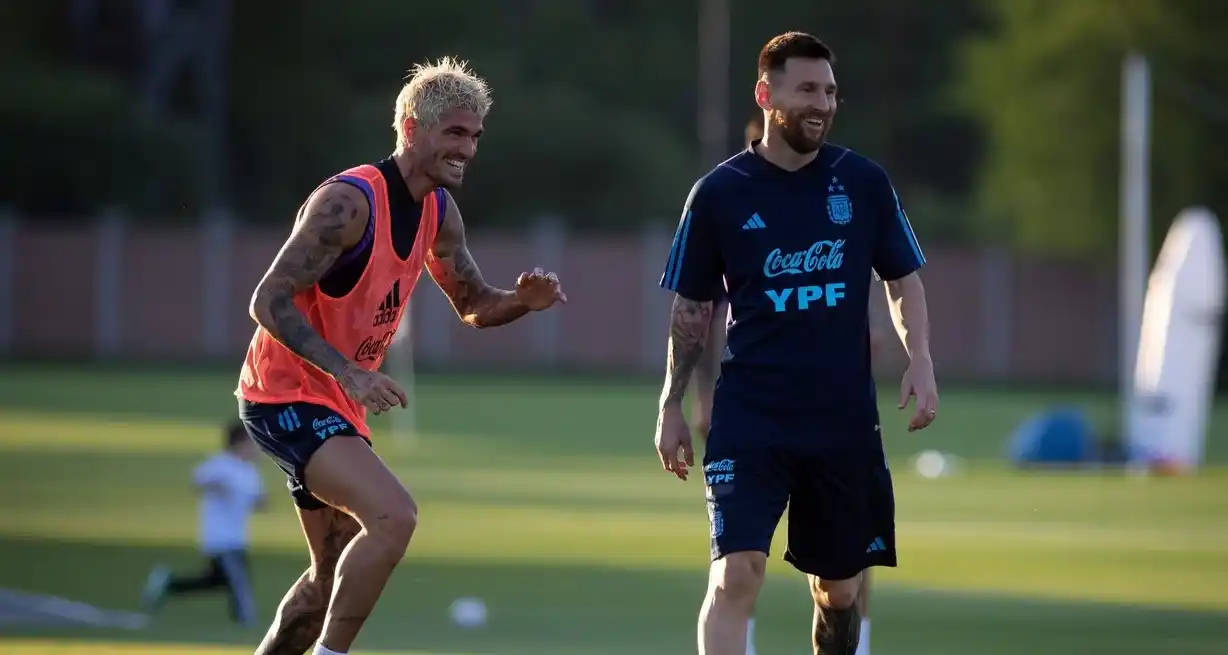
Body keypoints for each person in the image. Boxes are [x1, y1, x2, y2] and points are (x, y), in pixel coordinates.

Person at [235, 57, 566, 655]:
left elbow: (474, 305)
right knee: (394, 517)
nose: (467, 149)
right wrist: (349, 372)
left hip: (336, 400)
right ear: (412, 129)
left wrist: (523, 301)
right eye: (454, 133)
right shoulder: (349, 203)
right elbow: (267, 301)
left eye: (475, 136)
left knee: (329, 576)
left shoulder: (438, 211)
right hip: (285, 392)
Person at [654, 32, 938, 655]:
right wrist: (670, 404)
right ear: (766, 95)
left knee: (839, 588)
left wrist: (919, 359)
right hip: (750, 417)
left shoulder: (862, 183)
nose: (823, 104)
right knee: (736, 574)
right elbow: (691, 309)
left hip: (841, 419)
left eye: (830, 92)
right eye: (807, 89)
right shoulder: (718, 194)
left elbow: (902, 280)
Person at [141, 420, 266, 627]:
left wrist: (260, 501)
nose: (256, 448)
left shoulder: (249, 471)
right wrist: (216, 485)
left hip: (238, 537)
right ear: (239, 443)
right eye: (252, 442)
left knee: (215, 580)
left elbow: (259, 502)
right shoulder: (221, 465)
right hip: (221, 538)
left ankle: (169, 584)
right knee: (239, 579)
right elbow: (198, 481)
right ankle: (245, 618)